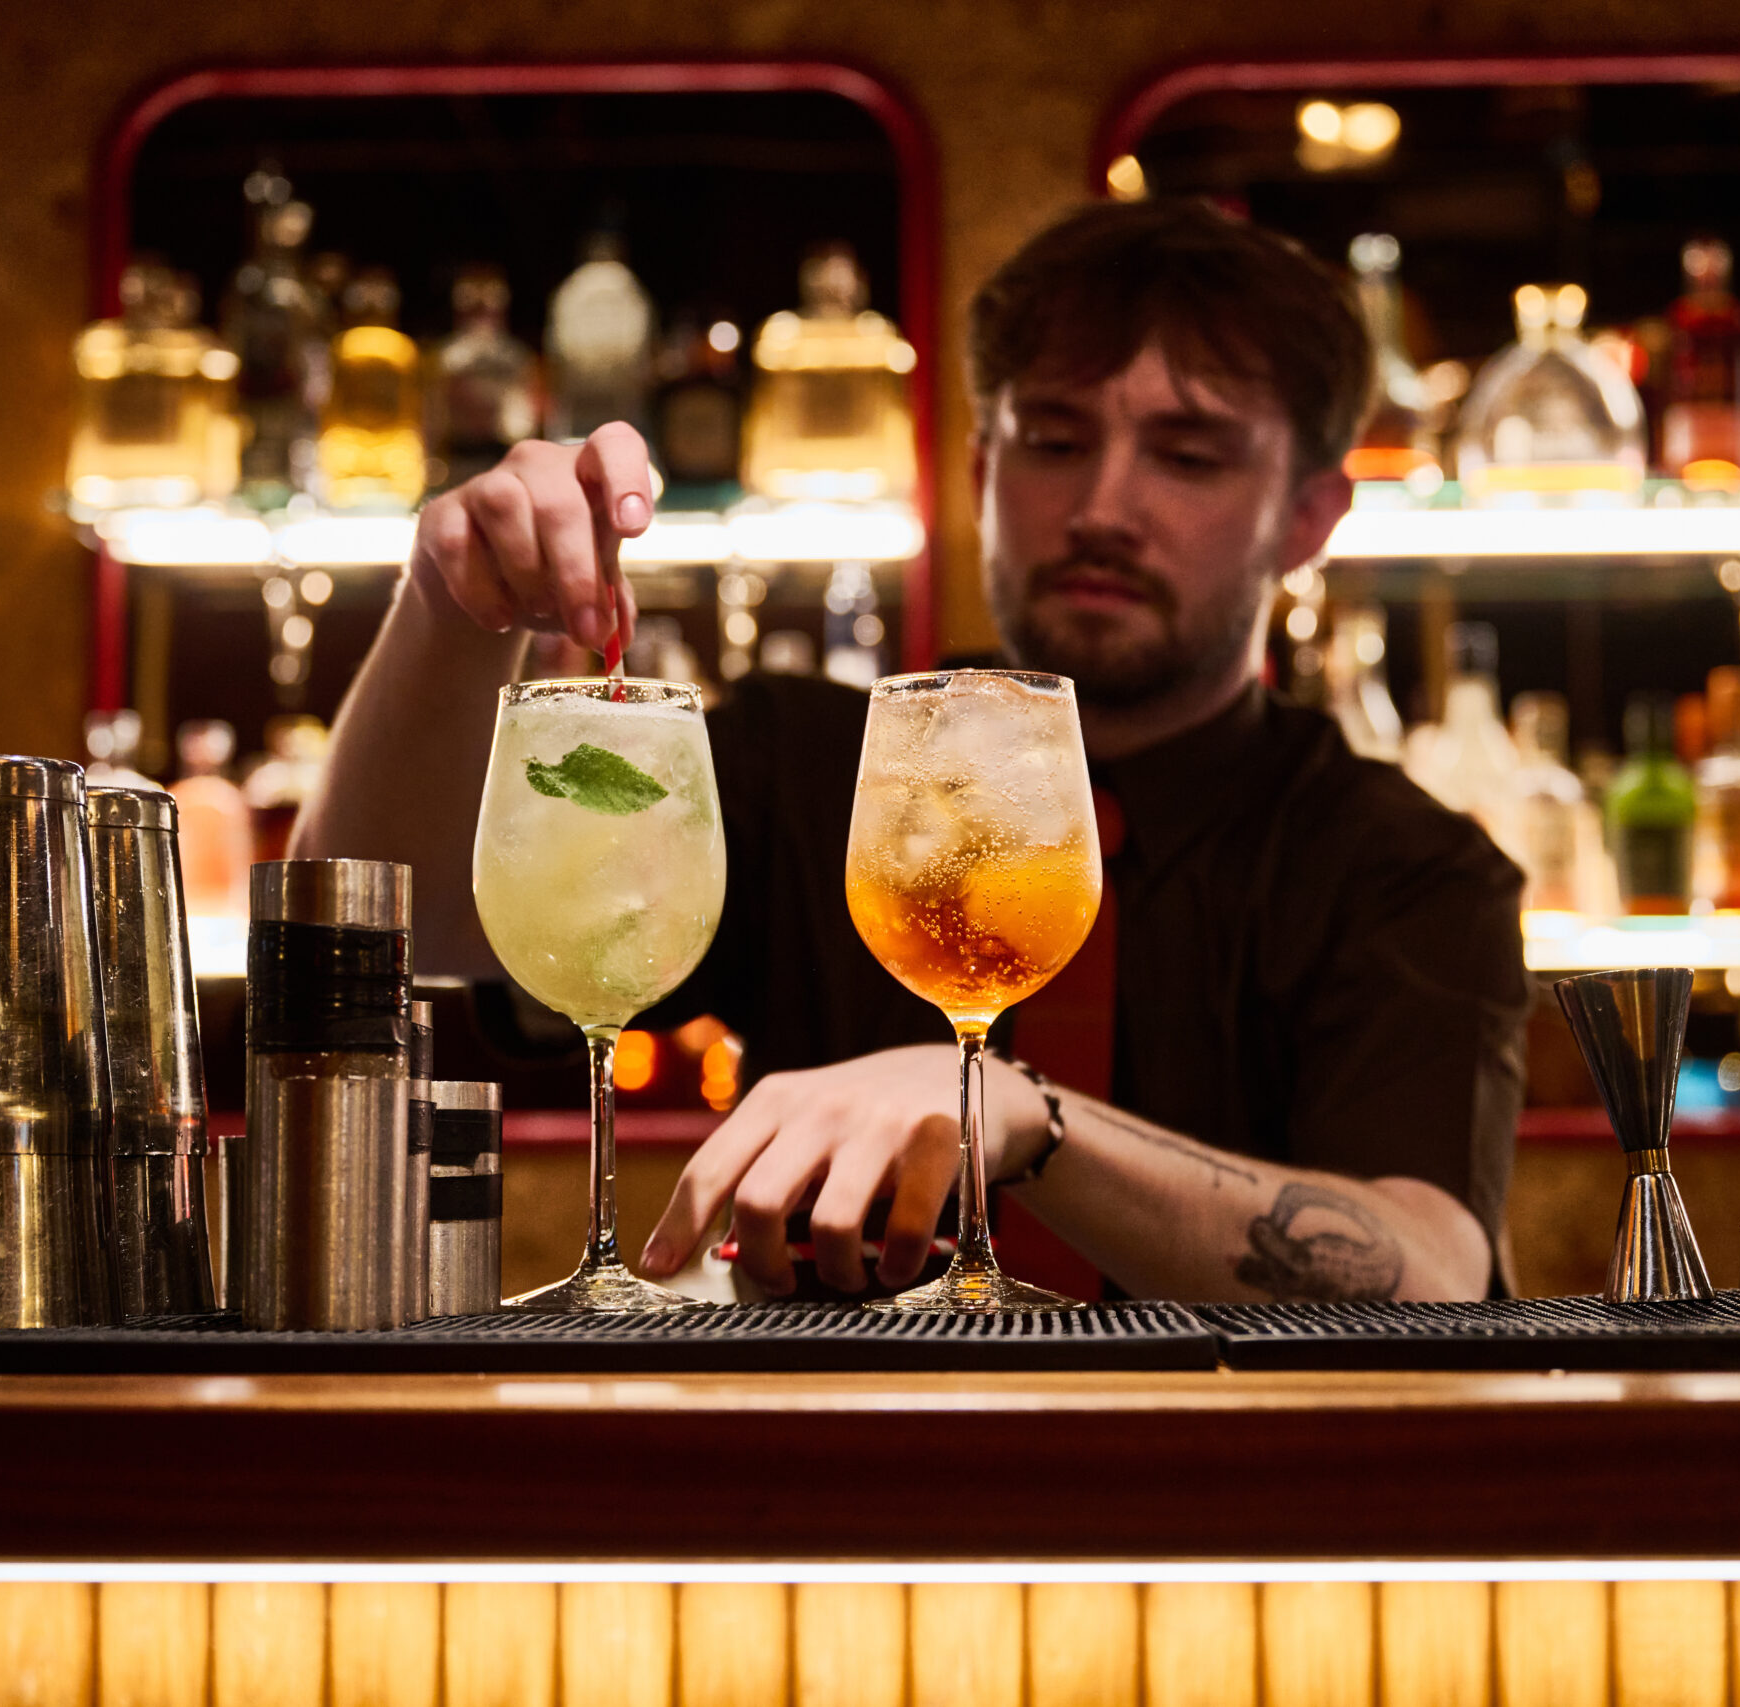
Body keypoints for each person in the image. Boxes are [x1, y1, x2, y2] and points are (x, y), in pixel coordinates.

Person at [293, 198, 1528, 1304]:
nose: (1101, 504)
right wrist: (453, 612)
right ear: (981, 472)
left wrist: (1019, 1117)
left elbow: (1427, 1270)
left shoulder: (1405, 868)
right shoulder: (808, 762)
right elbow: (394, 925)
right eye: (1050, 441)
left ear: (1311, 516)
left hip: (1234, 1508)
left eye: (1189, 454)